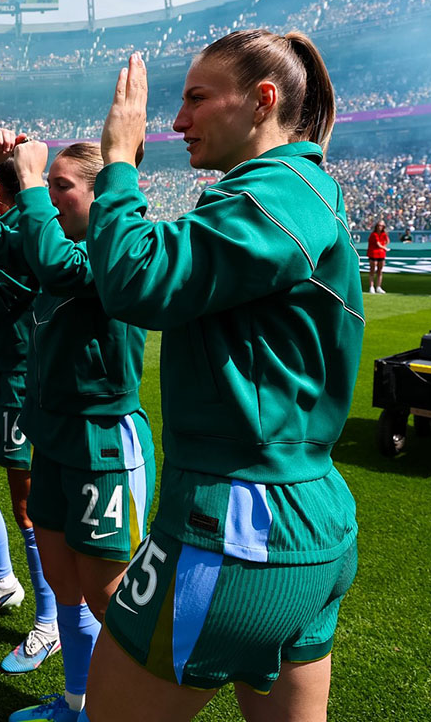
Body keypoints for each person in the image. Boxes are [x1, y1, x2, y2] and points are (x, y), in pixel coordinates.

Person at [82, 36, 363, 721]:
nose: (177, 121)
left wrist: (118, 163)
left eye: (197, 98)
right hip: (302, 521)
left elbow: (136, 279)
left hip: (238, 526)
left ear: (263, 101)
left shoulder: (283, 186)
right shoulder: (288, 189)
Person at [7, 140, 154, 722]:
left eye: (63, 184)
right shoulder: (55, 242)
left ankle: (126, 710)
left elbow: (53, 265)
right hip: (55, 440)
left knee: (109, 596)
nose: (51, 193)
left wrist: (31, 184)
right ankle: (78, 703)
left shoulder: (111, 251)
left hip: (103, 444)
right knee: (64, 583)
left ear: (101, 193)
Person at [0, 137, 60, 673]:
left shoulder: (35, 229)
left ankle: (49, 623)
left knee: (27, 506)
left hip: (21, 384)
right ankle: (4, 581)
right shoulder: (10, 231)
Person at [366, 220, 389, 294]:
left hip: (381, 254)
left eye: (382, 226)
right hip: (373, 253)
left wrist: (385, 245)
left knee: (380, 271)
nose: (380, 227)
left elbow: (387, 240)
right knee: (372, 270)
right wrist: (384, 248)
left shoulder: (384, 234)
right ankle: (371, 287)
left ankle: (378, 287)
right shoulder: (374, 234)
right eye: (379, 225)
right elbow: (378, 244)